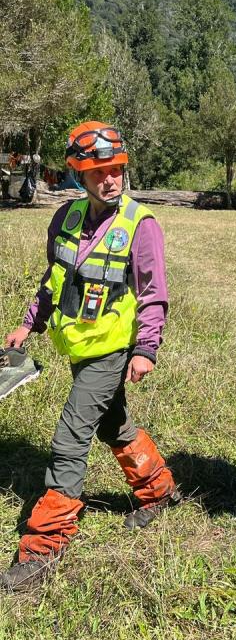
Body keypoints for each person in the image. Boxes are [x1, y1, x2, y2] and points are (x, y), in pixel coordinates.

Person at [2, 121, 180, 593]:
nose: (111, 178)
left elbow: (154, 293)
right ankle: (158, 490)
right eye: (100, 171)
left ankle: (44, 546)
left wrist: (146, 349)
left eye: (118, 169)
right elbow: (52, 281)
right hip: (78, 348)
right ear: (77, 173)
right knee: (112, 423)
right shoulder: (65, 219)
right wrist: (28, 323)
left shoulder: (140, 227)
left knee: (70, 436)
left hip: (112, 352)